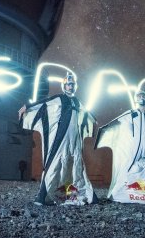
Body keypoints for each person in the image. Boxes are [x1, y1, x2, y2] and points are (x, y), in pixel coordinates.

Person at [18, 73, 96, 206]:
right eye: (68, 84)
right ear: (64, 86)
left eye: (72, 85)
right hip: (61, 138)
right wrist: (27, 106)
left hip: (75, 140)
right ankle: (43, 195)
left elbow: (86, 113)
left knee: (77, 165)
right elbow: (44, 102)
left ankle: (84, 193)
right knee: (53, 164)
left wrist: (93, 120)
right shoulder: (60, 98)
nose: (71, 87)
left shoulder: (77, 101)